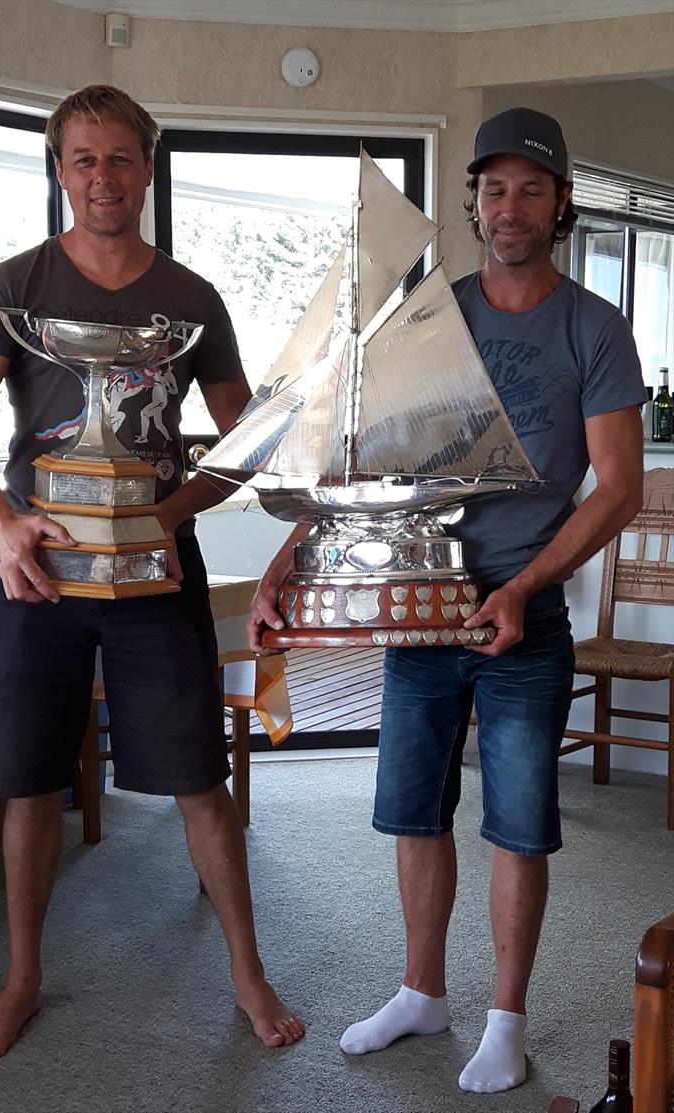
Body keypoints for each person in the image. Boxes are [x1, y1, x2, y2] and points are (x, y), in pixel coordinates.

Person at [248, 106, 647, 1093]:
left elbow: (619, 485)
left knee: (516, 821)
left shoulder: (592, 329)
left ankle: (504, 1020)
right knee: (411, 813)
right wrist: (291, 561)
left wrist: (520, 587)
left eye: (529, 188)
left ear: (558, 205)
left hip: (523, 615)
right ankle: (420, 992)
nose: (507, 206)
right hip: (413, 608)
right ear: (471, 202)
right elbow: (365, 462)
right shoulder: (433, 315)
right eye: (491, 187)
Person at [0, 84, 304, 1060]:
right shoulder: (14, 285)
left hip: (152, 579)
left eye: (120, 158)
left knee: (197, 779)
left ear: (146, 165)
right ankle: (20, 979)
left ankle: (247, 971)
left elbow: (244, 438)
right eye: (82, 160)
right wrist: (4, 526)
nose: (102, 177)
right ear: (59, 171)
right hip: (36, 577)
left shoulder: (189, 299)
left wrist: (163, 516)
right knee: (26, 784)